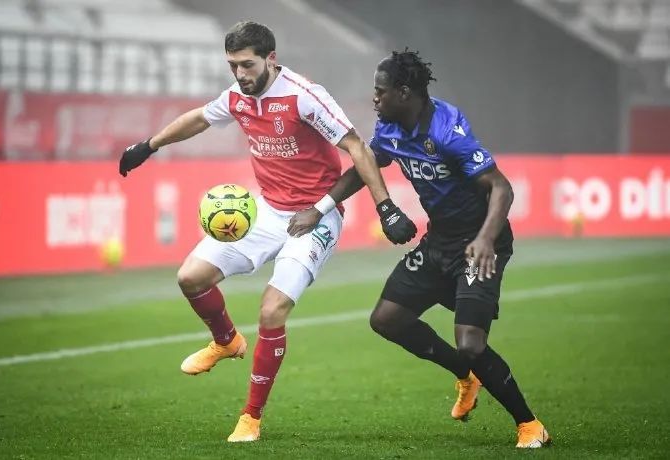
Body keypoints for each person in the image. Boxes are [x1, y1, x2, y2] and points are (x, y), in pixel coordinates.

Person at [118, 22, 416, 442]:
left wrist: (385, 207)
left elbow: (356, 147)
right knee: (190, 277)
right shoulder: (237, 97)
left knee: (272, 310)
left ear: (270, 59)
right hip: (267, 212)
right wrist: (149, 145)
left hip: (315, 217)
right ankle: (226, 341)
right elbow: (200, 118)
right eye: (232, 66)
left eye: (247, 65)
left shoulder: (304, 96)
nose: (240, 74)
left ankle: (251, 418)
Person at [288, 49, 551, 449]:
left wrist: (484, 239)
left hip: (479, 244)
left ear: (404, 93)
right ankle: (466, 375)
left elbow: (501, 187)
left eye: (381, 91)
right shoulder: (390, 128)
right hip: (439, 241)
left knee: (471, 343)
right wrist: (319, 208)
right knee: (387, 319)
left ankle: (529, 425)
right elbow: (365, 168)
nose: (374, 98)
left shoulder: (447, 131)